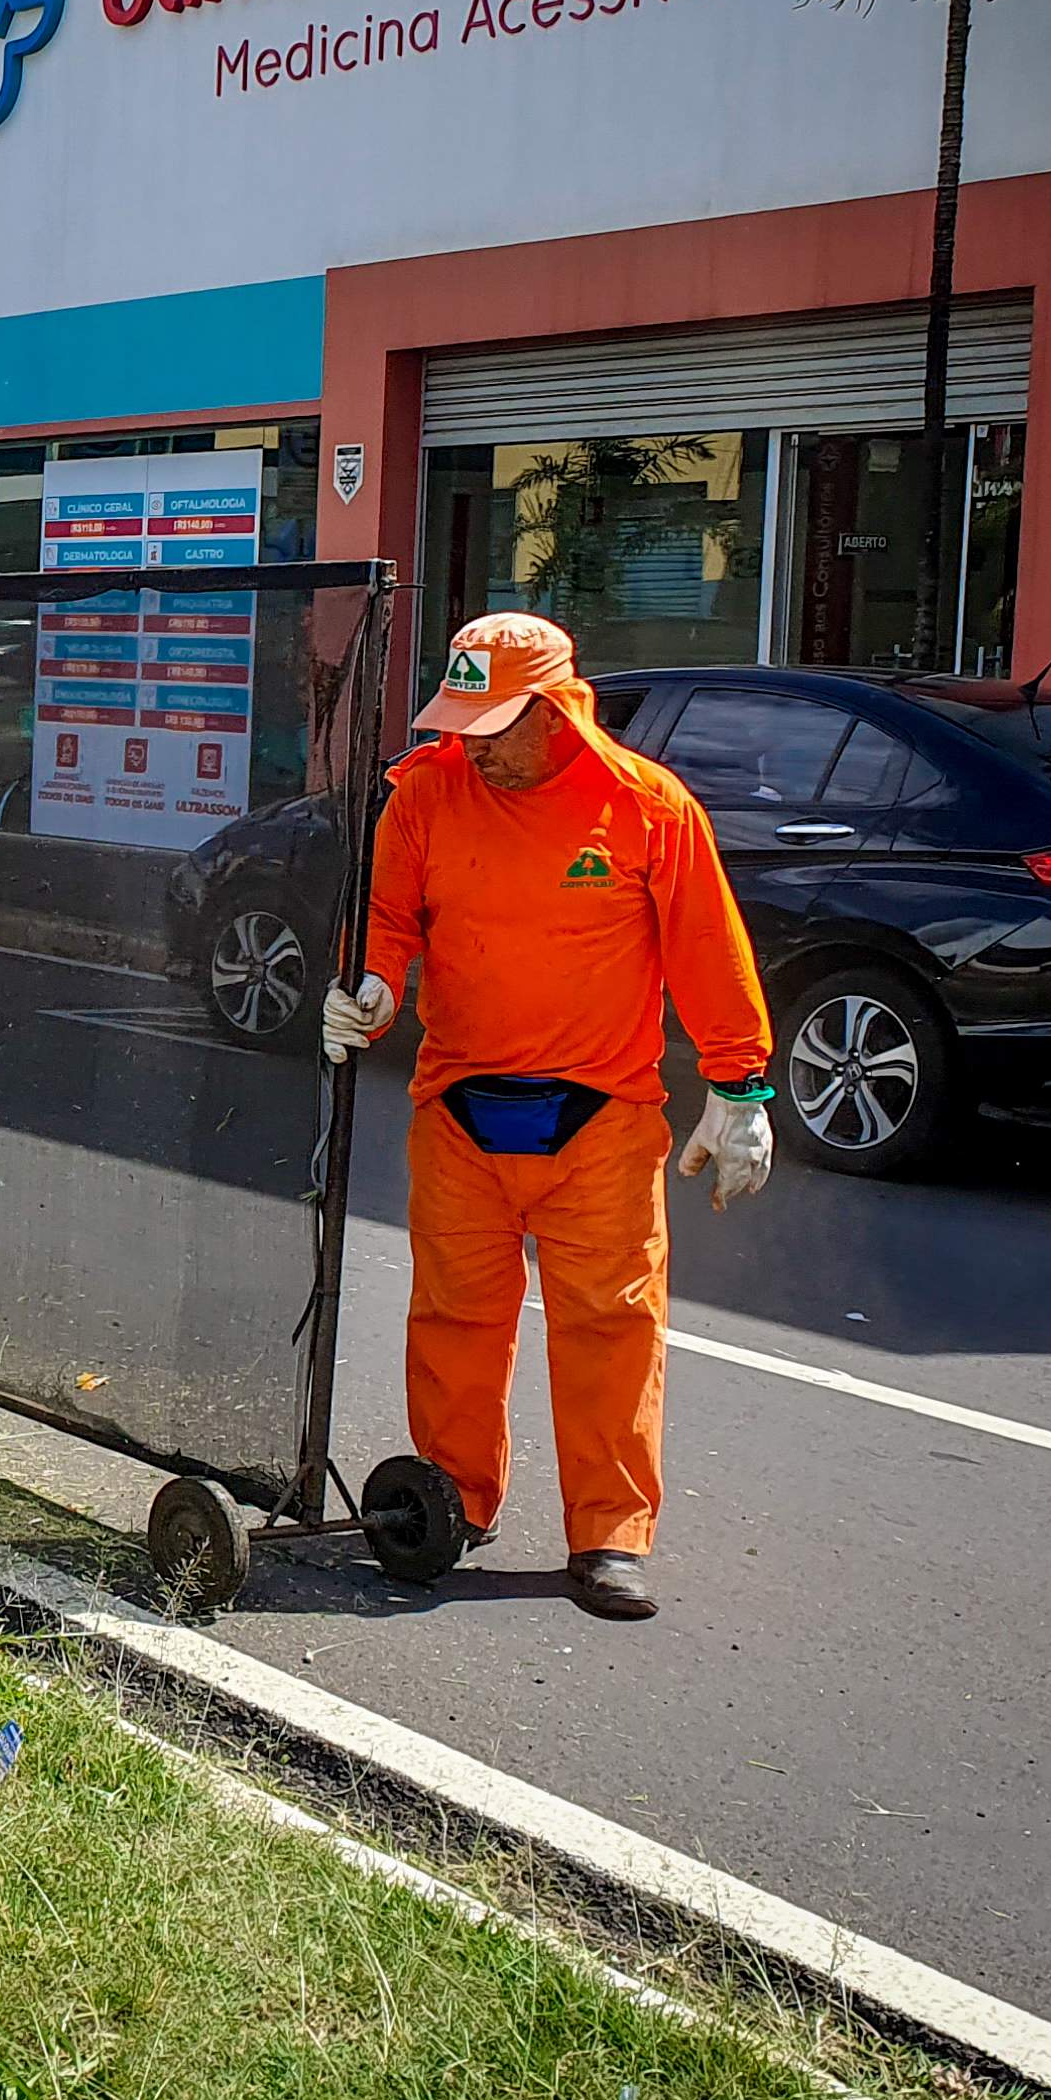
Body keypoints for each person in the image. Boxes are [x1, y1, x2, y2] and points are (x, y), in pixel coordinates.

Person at [321, 612, 776, 1622]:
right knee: (452, 1319)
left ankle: (610, 1535)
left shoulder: (646, 807)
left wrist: (741, 1088)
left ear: (560, 707)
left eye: (495, 725)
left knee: (611, 1328)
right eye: (464, 724)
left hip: (601, 1121)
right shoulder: (427, 794)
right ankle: (454, 1500)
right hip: (459, 1108)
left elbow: (708, 945)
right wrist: (373, 984)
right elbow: (389, 918)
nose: (475, 744)